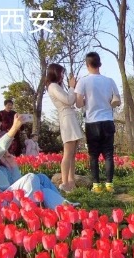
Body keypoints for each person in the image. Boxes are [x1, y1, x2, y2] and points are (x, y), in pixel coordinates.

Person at [0, 115, 75, 209]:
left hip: (8, 199)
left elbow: (20, 187)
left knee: (42, 179)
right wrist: (14, 128)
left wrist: (13, 166)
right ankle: (31, 210)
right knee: (31, 177)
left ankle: (66, 208)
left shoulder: (1, 166)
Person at [74, 52, 121, 193]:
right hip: (107, 121)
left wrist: (86, 100)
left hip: (92, 122)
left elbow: (78, 104)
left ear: (87, 64)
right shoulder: (109, 81)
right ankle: (109, 185)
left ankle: (96, 186)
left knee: (93, 155)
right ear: (99, 64)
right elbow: (117, 100)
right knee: (108, 155)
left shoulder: (83, 81)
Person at [47, 63, 84, 193]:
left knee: (72, 154)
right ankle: (64, 183)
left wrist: (72, 89)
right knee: (68, 153)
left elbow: (71, 99)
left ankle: (71, 181)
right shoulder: (53, 86)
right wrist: (72, 87)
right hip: (66, 119)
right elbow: (68, 100)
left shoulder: (57, 86)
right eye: (61, 73)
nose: (62, 75)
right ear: (54, 73)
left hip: (71, 117)